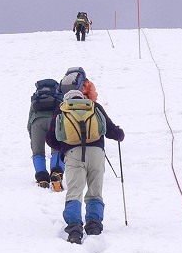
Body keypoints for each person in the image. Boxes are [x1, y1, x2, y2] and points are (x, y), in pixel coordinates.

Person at [46, 89, 124, 244]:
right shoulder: (94, 106)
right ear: (82, 98)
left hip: (73, 153)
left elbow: (50, 138)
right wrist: (119, 133)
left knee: (75, 191)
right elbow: (110, 130)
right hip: (96, 153)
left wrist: (64, 146)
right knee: (95, 191)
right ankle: (94, 225)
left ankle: (75, 229)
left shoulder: (62, 109)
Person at [27, 80, 65, 190]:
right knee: (57, 150)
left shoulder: (36, 97)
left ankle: (42, 178)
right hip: (55, 122)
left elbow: (30, 117)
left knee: (38, 152)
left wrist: (31, 134)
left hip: (37, 123)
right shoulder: (58, 96)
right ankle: (56, 173)